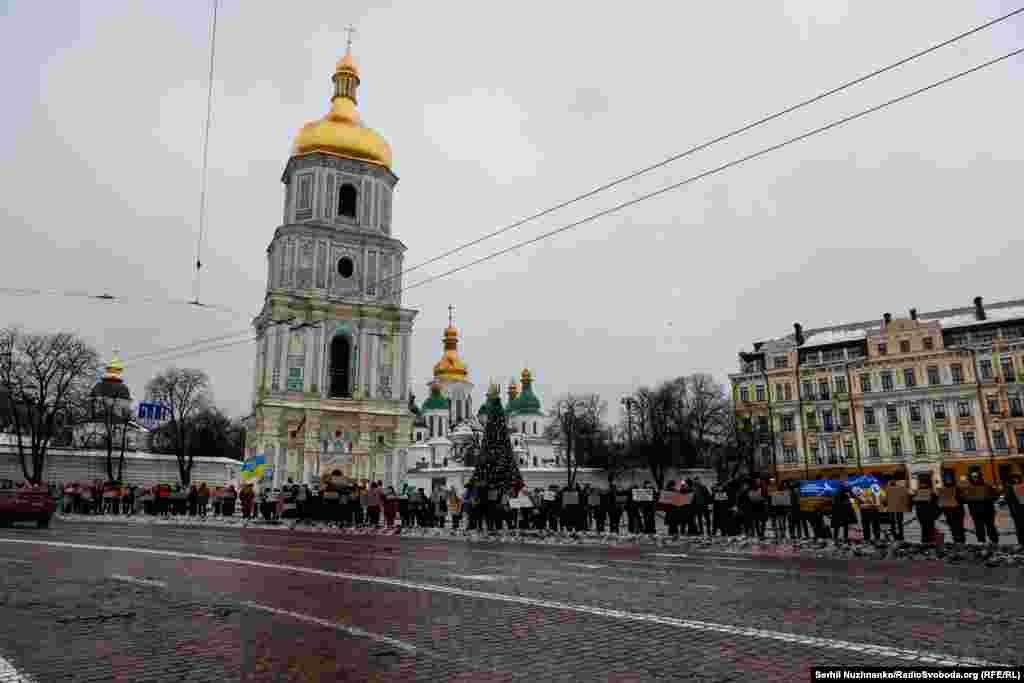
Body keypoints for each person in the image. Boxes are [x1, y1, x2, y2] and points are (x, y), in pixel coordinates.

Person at [964, 470, 999, 544]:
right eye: (973, 477)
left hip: (988, 509)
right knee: (979, 527)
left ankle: (994, 540)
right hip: (976, 511)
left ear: (980, 477)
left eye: (977, 476)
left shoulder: (987, 486)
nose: (975, 478)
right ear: (970, 478)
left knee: (990, 526)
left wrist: (989, 497)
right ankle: (981, 541)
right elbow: (965, 499)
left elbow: (995, 496)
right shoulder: (968, 488)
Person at [939, 474, 967, 544]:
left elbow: (940, 501)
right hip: (956, 510)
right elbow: (963, 499)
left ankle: (957, 539)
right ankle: (960, 540)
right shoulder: (957, 489)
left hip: (949, 510)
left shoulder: (942, 489)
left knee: (953, 526)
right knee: (958, 526)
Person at [913, 474, 940, 544]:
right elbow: (937, 502)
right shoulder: (932, 492)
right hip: (930, 515)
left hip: (922, 515)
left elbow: (915, 503)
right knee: (929, 529)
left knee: (925, 529)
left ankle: (925, 542)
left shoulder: (917, 492)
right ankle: (929, 542)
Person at [1005, 470, 1024, 547]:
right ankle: (1021, 542)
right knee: (1020, 527)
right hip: (1017, 510)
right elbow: (1009, 501)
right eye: (1014, 479)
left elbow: (1009, 500)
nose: (1016, 481)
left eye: (1017, 479)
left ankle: (1021, 542)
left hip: (1019, 509)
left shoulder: (1011, 488)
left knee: (1020, 526)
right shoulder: (1010, 488)